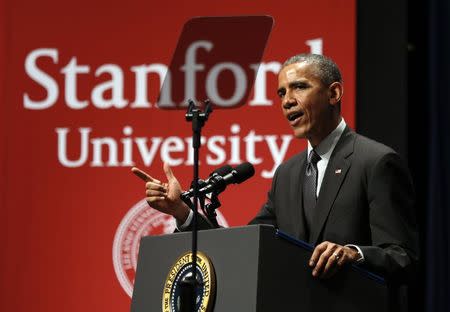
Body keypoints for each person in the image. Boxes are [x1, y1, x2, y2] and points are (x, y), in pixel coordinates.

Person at [131, 53, 419, 281]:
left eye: (300, 87)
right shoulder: (288, 174)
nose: (287, 101)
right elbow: (243, 248)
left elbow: (403, 259)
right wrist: (182, 212)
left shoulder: (376, 162)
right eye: (282, 93)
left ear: (334, 94)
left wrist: (353, 254)